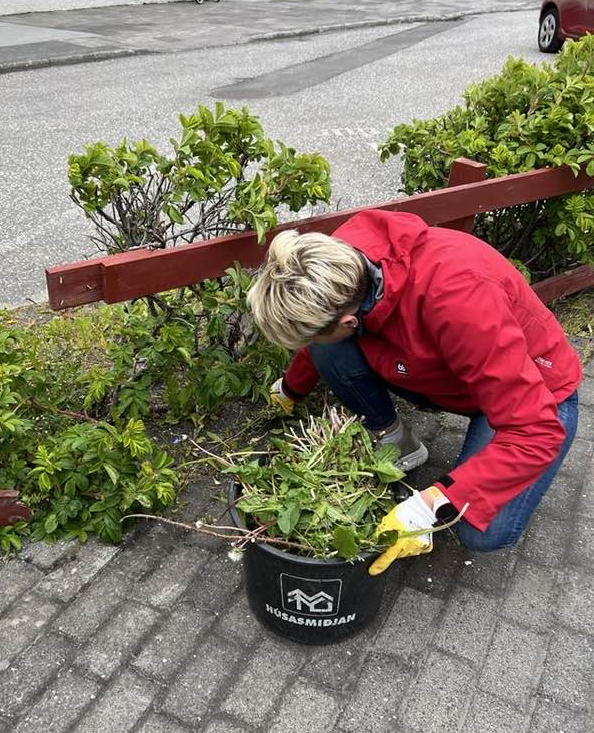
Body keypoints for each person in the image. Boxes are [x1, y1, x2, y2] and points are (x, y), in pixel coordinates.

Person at [246, 209, 581, 573]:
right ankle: (400, 443)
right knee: (330, 346)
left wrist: (432, 504)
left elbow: (535, 432)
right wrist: (290, 389)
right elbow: (321, 340)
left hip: (536, 399)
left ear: (350, 321)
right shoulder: (339, 263)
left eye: (311, 336)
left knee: (478, 531)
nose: (309, 345)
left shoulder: (459, 298)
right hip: (446, 372)